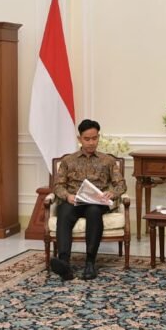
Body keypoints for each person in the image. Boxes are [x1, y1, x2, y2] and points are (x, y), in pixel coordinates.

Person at [50, 119, 126, 281]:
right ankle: (64, 263)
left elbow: (121, 185)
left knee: (93, 212)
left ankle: (90, 263)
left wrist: (111, 193)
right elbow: (57, 186)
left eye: (94, 138)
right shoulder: (68, 161)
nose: (91, 142)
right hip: (74, 201)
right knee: (64, 212)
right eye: (87, 139)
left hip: (97, 203)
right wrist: (67, 196)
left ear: (98, 137)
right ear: (80, 139)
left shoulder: (108, 161)